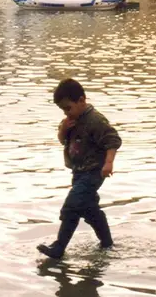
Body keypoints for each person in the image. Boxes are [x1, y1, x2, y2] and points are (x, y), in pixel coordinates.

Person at [37, 78, 122, 259]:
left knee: (70, 207)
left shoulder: (95, 120)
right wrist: (63, 130)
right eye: (63, 110)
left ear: (82, 100)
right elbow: (63, 142)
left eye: (68, 108)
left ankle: (59, 247)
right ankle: (107, 244)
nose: (67, 113)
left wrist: (109, 163)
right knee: (88, 209)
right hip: (78, 172)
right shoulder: (71, 121)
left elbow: (113, 140)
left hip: (93, 172)